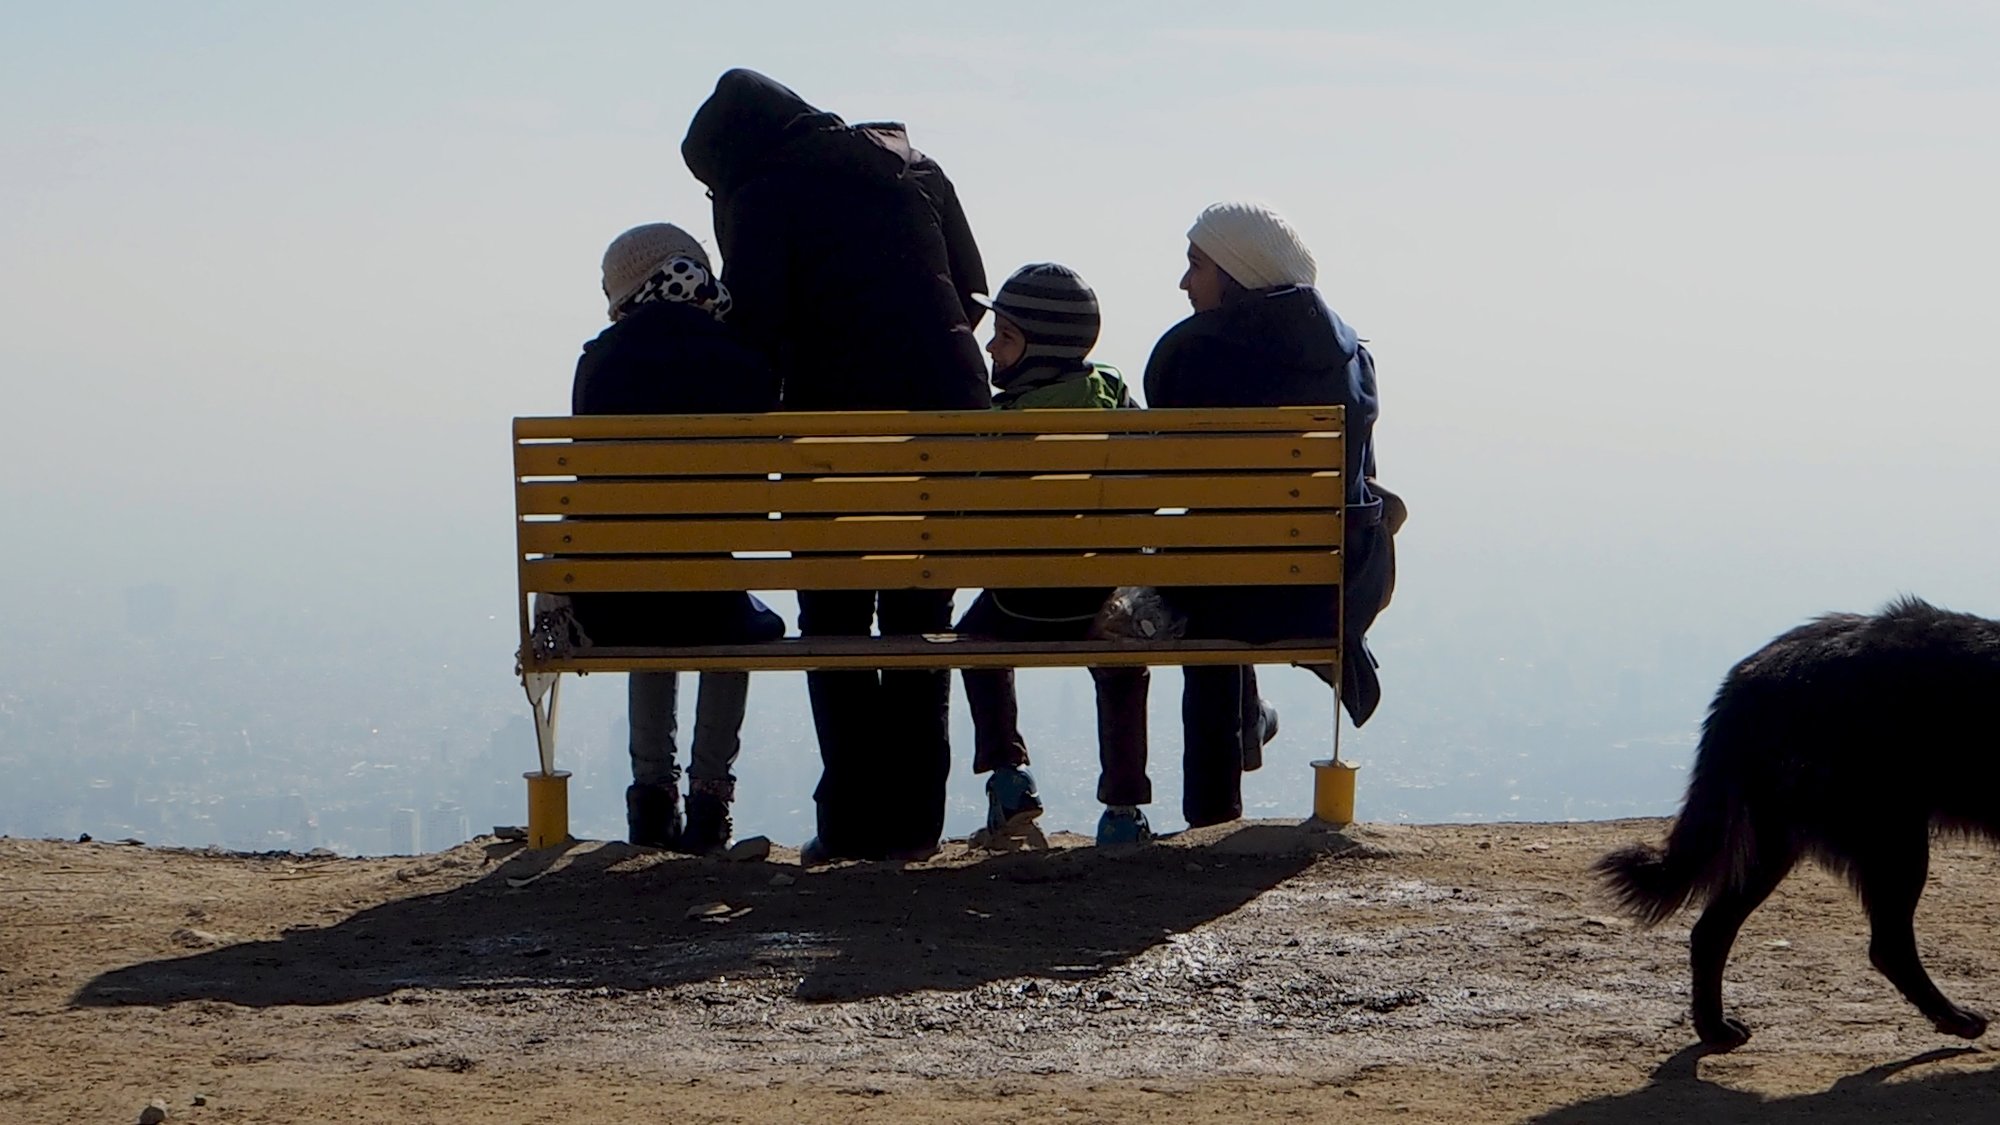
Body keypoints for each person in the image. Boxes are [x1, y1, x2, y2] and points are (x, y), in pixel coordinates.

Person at [681, 69, 990, 863]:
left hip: (834, 433)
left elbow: (755, 327)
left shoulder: (764, 193)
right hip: (949, 425)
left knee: (837, 617)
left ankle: (852, 821)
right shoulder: (910, 163)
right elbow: (973, 287)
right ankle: (916, 824)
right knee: (920, 618)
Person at [1143, 201, 1394, 828]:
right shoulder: (1353, 359)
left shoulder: (1187, 354)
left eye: (1195, 265)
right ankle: (1244, 734)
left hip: (1222, 596)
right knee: (1236, 555)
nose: (1184, 283)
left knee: (1216, 566)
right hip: (1323, 592)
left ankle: (1212, 816)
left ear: (1234, 271)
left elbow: (1166, 475)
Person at [569, 222, 786, 853]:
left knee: (650, 607)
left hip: (620, 601)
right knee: (726, 612)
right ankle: (711, 800)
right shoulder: (744, 357)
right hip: (710, 595)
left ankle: (650, 799)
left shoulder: (598, 362)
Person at [951, 264, 1157, 846]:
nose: (991, 345)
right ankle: (1122, 812)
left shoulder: (1001, 424)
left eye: (1006, 336)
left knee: (975, 643)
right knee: (1122, 666)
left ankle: (1009, 779)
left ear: (1039, 350)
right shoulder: (1113, 395)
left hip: (1020, 604)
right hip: (1102, 601)